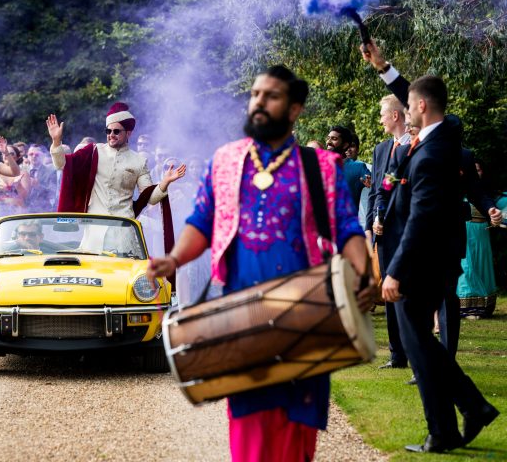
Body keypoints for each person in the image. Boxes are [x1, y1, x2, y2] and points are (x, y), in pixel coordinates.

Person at [147, 65, 372, 462]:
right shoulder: (226, 161)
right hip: (242, 314)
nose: (259, 103)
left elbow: (348, 228)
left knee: (295, 433)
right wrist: (175, 258)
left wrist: (366, 273)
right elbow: (201, 221)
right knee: (249, 433)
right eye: (255, 95)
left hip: (307, 312)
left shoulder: (319, 166)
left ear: (295, 109)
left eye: (271, 96)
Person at [361, 42, 500, 451]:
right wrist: (384, 67)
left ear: (418, 107)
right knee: (420, 341)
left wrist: (395, 270)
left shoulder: (433, 152)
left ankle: (453, 423)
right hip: (429, 258)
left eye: (409, 103)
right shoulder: (446, 130)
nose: (405, 107)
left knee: (418, 342)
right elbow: (420, 93)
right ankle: (462, 416)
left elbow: (421, 218)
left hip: (422, 260)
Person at [46, 102, 185, 219]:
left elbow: (150, 198)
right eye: (108, 131)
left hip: (124, 229)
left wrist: (165, 182)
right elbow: (61, 164)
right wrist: (56, 141)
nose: (111, 135)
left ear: (128, 133)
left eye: (116, 131)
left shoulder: (139, 160)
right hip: (94, 229)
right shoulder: (93, 151)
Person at [366, 94, 411, 371]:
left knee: (407, 291)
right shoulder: (381, 149)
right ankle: (397, 355)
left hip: (406, 230)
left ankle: (414, 350)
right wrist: (373, 221)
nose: (380, 119)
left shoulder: (415, 147)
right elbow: (376, 192)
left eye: (383, 114)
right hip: (383, 232)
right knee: (387, 290)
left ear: (395, 115)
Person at [457, 160, 498, 317]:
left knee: (482, 264)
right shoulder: (459, 189)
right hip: (465, 229)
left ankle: (484, 304)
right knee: (467, 265)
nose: (477, 172)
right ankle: (467, 305)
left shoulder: (484, 190)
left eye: (479, 170)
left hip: (481, 232)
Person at [326, 126, 370, 210]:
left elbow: (373, 182)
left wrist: (371, 182)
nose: (328, 142)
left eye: (334, 139)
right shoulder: (319, 165)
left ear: (345, 145)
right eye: (328, 138)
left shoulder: (358, 167)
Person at [0, 144, 30, 216]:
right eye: (5, 153)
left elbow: (25, 196)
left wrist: (18, 185)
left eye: (11, 153)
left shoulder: (23, 174)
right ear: (2, 156)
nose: (7, 155)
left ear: (17, 157)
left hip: (17, 212)